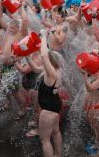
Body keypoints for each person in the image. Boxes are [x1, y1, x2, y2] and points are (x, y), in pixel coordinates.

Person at [38, 29, 63, 157]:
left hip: (48, 109)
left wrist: (43, 35)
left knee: (45, 140)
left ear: (50, 62)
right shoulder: (55, 70)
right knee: (55, 132)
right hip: (54, 105)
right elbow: (36, 68)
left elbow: (43, 56)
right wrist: (26, 56)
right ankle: (58, 155)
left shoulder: (51, 73)